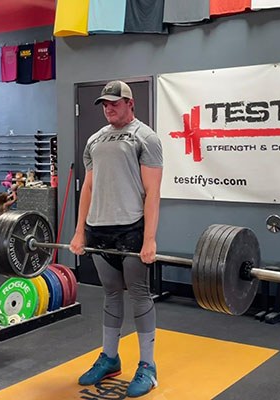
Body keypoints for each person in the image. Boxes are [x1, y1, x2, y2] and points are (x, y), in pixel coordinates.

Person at [69, 80, 163, 398]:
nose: (109, 108)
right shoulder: (95, 140)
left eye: (114, 102)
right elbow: (89, 188)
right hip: (99, 228)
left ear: (129, 103)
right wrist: (80, 230)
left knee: (138, 294)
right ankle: (110, 358)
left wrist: (149, 238)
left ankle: (148, 367)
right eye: (105, 104)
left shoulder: (145, 137)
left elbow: (153, 191)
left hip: (131, 228)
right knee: (110, 294)